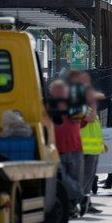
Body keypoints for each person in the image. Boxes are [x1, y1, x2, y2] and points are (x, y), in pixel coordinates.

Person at [49, 80, 84, 213]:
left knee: (74, 179)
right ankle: (78, 200)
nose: (60, 94)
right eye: (57, 91)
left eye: (62, 91)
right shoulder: (48, 105)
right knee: (63, 180)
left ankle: (72, 207)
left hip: (75, 148)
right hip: (58, 149)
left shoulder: (74, 105)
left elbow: (79, 120)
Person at [80, 86, 104, 214]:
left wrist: (102, 144)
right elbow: (90, 119)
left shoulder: (88, 108)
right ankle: (83, 204)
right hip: (85, 149)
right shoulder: (82, 109)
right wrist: (94, 105)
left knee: (88, 180)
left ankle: (87, 203)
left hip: (92, 150)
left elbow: (95, 128)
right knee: (85, 179)